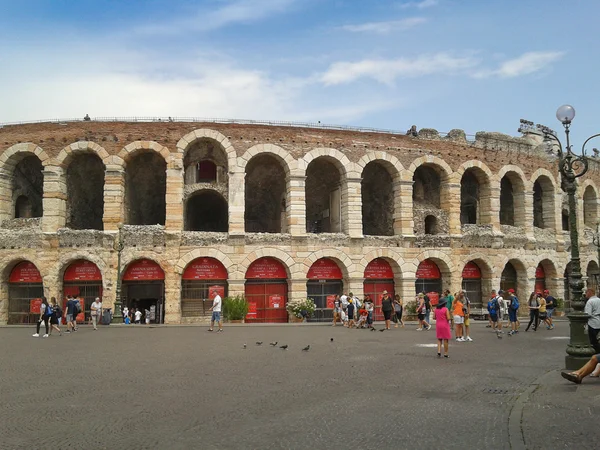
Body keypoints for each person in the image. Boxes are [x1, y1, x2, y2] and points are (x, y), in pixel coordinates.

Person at [584, 288, 600, 353]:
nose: (585, 294)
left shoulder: (590, 301)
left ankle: (597, 354)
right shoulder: (599, 300)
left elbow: (588, 314)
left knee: (593, 341)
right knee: (598, 339)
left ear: (589, 293)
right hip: (599, 321)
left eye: (586, 293)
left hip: (592, 323)